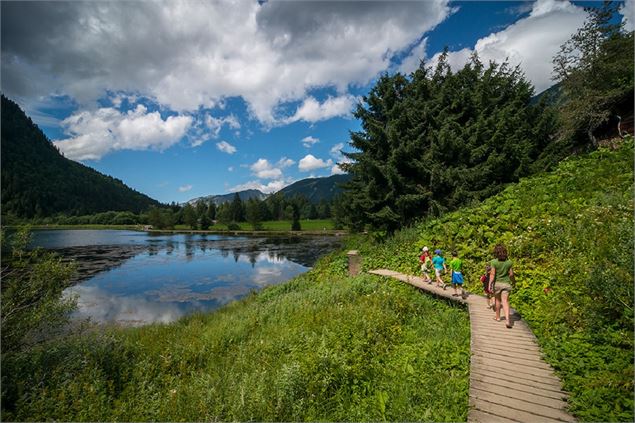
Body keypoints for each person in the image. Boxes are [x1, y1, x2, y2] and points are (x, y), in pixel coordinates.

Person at [489, 244, 516, 328]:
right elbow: (511, 274)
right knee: (505, 301)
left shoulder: (494, 262)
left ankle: (497, 317)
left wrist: (490, 284)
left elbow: (492, 274)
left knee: (497, 300)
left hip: (497, 284)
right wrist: (514, 282)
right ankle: (508, 320)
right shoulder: (509, 262)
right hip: (507, 284)